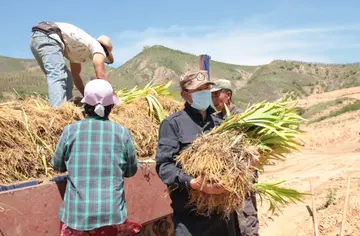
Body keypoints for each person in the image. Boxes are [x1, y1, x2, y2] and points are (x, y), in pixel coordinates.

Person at [51, 79, 141, 236]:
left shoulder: (70, 131)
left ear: (85, 105)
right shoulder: (122, 133)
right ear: (111, 107)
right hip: (112, 217)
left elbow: (57, 166)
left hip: (76, 217)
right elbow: (131, 171)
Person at [155, 70, 240, 236]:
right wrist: (193, 182)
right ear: (185, 95)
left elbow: (235, 159)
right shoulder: (172, 124)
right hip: (191, 221)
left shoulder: (221, 124)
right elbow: (164, 166)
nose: (205, 94)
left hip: (222, 217)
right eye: (198, 90)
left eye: (206, 89)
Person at [211, 79, 259, 236]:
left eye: (217, 95)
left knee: (245, 220)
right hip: (223, 180)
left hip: (241, 179)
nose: (214, 99)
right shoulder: (215, 119)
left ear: (228, 94)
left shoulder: (242, 118)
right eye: (212, 96)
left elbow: (253, 148)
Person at [30, 21, 115, 107]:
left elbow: (76, 75)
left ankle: (67, 107)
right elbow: (101, 75)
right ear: (106, 52)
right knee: (58, 75)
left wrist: (86, 96)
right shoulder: (98, 47)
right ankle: (59, 110)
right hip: (48, 36)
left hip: (38, 38)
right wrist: (114, 97)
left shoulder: (81, 50)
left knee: (68, 78)